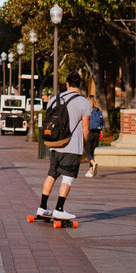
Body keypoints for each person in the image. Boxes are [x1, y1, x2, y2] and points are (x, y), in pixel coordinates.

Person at [36, 72, 92, 221]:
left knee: (51, 175)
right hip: (72, 147)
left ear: (66, 84)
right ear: (80, 85)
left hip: (55, 144)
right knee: (67, 178)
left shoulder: (54, 99)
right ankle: (59, 209)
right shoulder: (84, 103)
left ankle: (42, 207)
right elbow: (86, 128)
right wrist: (84, 147)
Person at [85, 95, 104, 177]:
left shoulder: (88, 111)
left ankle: (93, 163)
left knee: (87, 153)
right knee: (92, 152)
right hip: (96, 133)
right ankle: (90, 171)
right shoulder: (99, 111)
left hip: (89, 133)